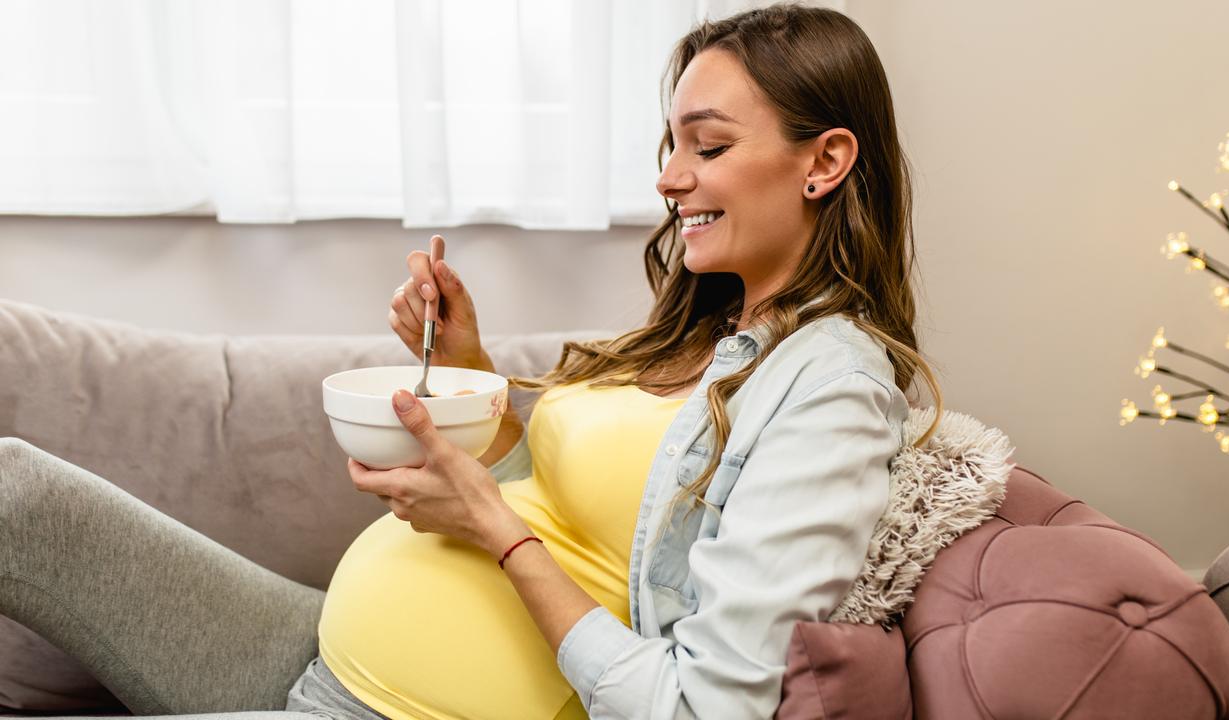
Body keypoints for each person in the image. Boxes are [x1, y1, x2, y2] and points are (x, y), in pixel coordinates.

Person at [0, 3, 942, 719]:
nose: (667, 177)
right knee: (15, 493)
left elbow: (705, 707)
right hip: (318, 645)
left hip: (397, 708)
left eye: (709, 144)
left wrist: (493, 529)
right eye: (671, 144)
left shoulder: (832, 393)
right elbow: (570, 507)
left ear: (824, 163)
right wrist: (470, 370)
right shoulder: (706, 325)